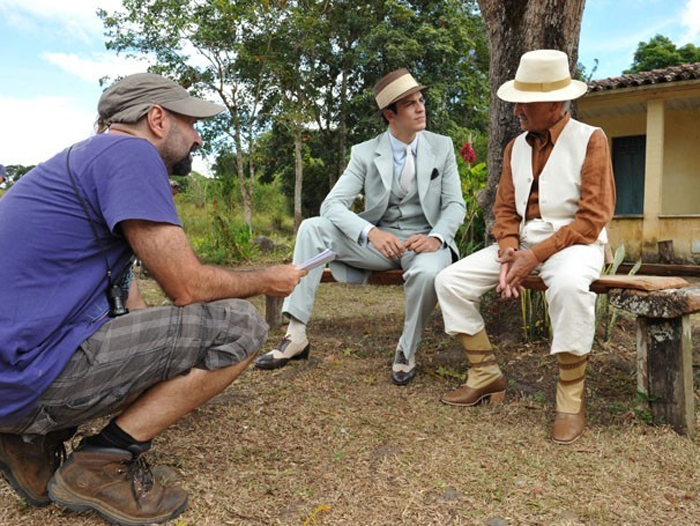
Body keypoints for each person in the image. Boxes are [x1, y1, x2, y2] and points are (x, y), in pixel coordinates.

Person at [0, 73, 306, 525]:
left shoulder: (81, 160)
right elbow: (187, 286)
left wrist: (170, 371)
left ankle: (27, 441)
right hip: (25, 374)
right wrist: (267, 278)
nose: (198, 137)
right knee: (239, 324)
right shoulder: (131, 154)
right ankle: (99, 464)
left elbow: (133, 301)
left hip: (15, 367)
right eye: (191, 123)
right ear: (157, 119)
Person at [435, 50, 616, 444]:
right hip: (523, 245)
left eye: (525, 101)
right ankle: (485, 374)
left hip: (576, 243)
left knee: (569, 288)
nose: (516, 109)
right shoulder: (514, 147)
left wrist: (534, 256)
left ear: (555, 102)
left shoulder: (591, 140)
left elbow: (593, 217)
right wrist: (508, 250)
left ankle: (570, 400)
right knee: (449, 281)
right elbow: (504, 209)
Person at [254, 68, 466, 385]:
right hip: (378, 245)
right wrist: (371, 233)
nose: (421, 108)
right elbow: (332, 204)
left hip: (425, 245)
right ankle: (295, 335)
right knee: (312, 228)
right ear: (389, 114)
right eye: (410, 104)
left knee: (427, 273)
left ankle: (407, 350)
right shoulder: (365, 153)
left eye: (421, 100)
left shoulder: (442, 146)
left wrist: (437, 237)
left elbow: (454, 204)